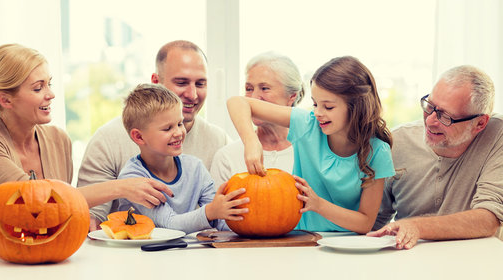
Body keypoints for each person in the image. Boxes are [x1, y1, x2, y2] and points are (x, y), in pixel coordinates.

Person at [0, 44, 173, 244]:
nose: (50, 94)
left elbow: (59, 212)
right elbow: (35, 206)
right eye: (38, 88)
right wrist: (121, 187)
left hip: (45, 254)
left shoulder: (58, 140)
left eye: (49, 84)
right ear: (6, 100)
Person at [227, 56, 395, 234]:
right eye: (315, 104)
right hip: (301, 240)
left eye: (328, 107)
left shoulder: (377, 151)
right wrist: (250, 141)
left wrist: (318, 204)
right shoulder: (307, 125)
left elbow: (365, 223)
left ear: (356, 107)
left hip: (349, 244)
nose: (318, 113)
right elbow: (237, 102)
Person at [77, 40, 231, 230]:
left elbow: (221, 215)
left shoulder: (214, 146)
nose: (192, 95)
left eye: (200, 83)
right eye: (181, 82)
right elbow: (90, 217)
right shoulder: (109, 141)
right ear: (156, 82)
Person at [369, 65, 503, 249]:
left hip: (472, 261)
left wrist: (416, 226)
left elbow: (489, 218)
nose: (430, 121)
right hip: (407, 259)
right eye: (429, 106)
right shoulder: (397, 142)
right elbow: (374, 219)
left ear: (479, 123)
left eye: (445, 116)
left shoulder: (497, 136)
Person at [117, 83, 248, 234]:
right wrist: (210, 212)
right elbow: (169, 223)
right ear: (139, 136)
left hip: (183, 253)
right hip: (141, 254)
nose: (179, 132)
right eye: (168, 128)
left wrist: (247, 223)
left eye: (180, 123)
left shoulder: (195, 168)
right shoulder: (133, 178)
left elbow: (219, 219)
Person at [210, 52, 305, 187]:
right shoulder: (227, 157)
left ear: (292, 97)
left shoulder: (309, 152)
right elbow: (218, 207)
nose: (253, 97)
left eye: (264, 88)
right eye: (249, 89)